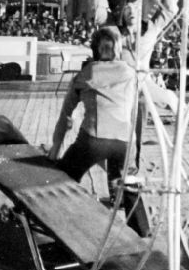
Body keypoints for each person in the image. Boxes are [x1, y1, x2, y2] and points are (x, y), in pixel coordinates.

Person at [48, 27, 148, 236]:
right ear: (118, 49)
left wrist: (55, 152)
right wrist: (134, 154)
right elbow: (135, 115)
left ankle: (55, 224)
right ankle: (142, 233)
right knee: (129, 182)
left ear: (94, 49)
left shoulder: (85, 74)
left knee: (63, 179)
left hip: (92, 140)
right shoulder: (131, 73)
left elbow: (65, 117)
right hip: (124, 141)